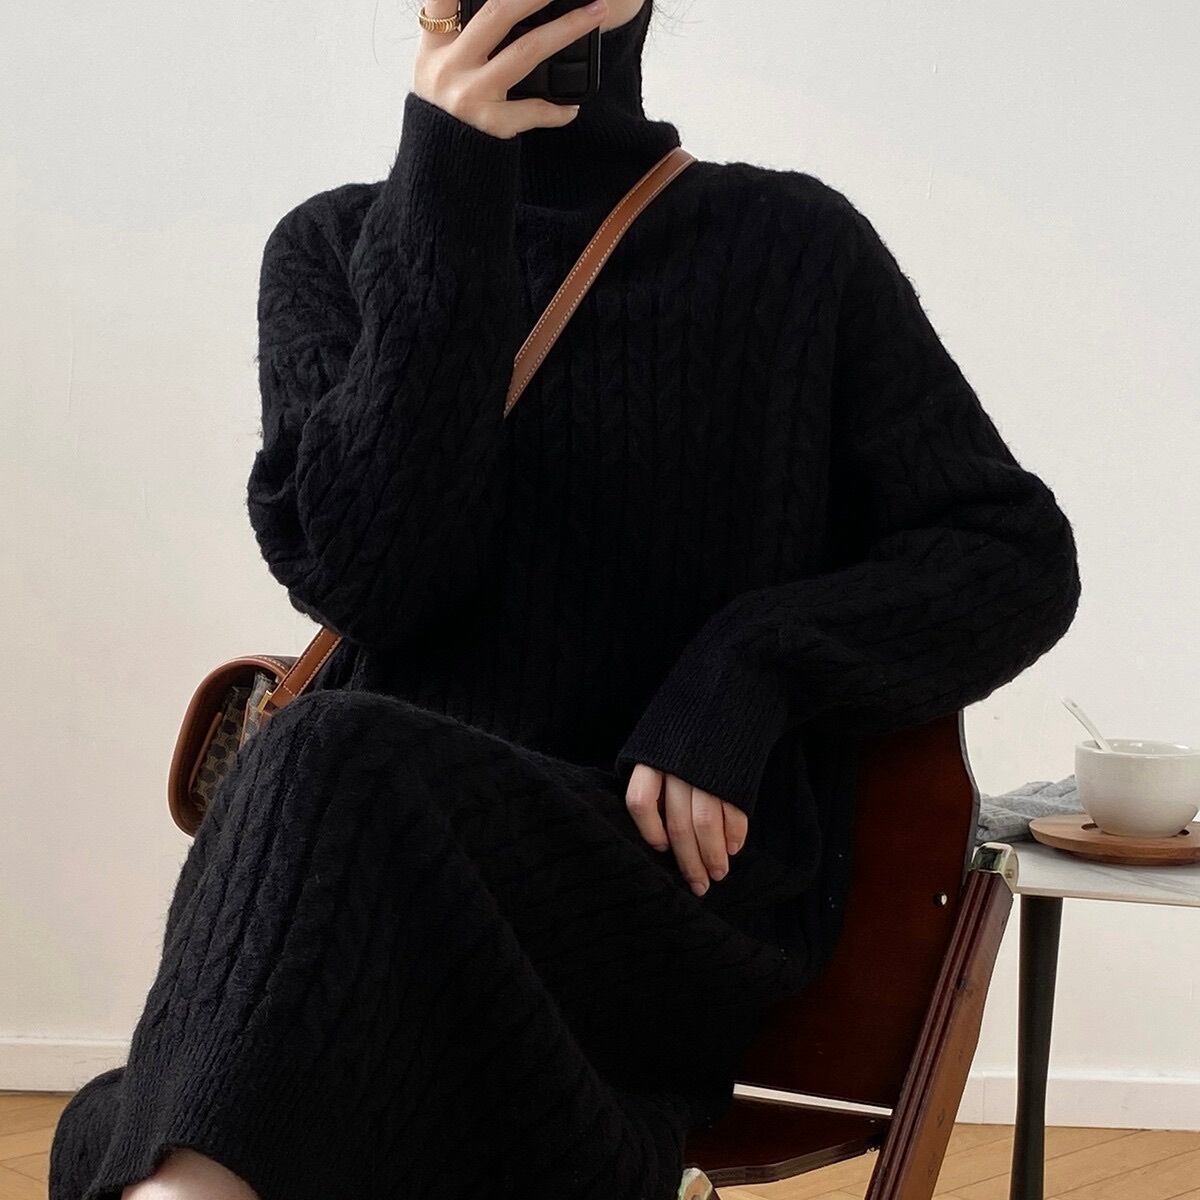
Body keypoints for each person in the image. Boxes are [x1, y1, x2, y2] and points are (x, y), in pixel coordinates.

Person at [49, 1, 1083, 1198]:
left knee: (309, 800)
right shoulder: (334, 250)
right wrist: (447, 188)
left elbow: (1010, 552)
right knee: (297, 842)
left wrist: (750, 667)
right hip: (376, 887)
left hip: (653, 894)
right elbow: (373, 576)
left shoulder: (791, 251)